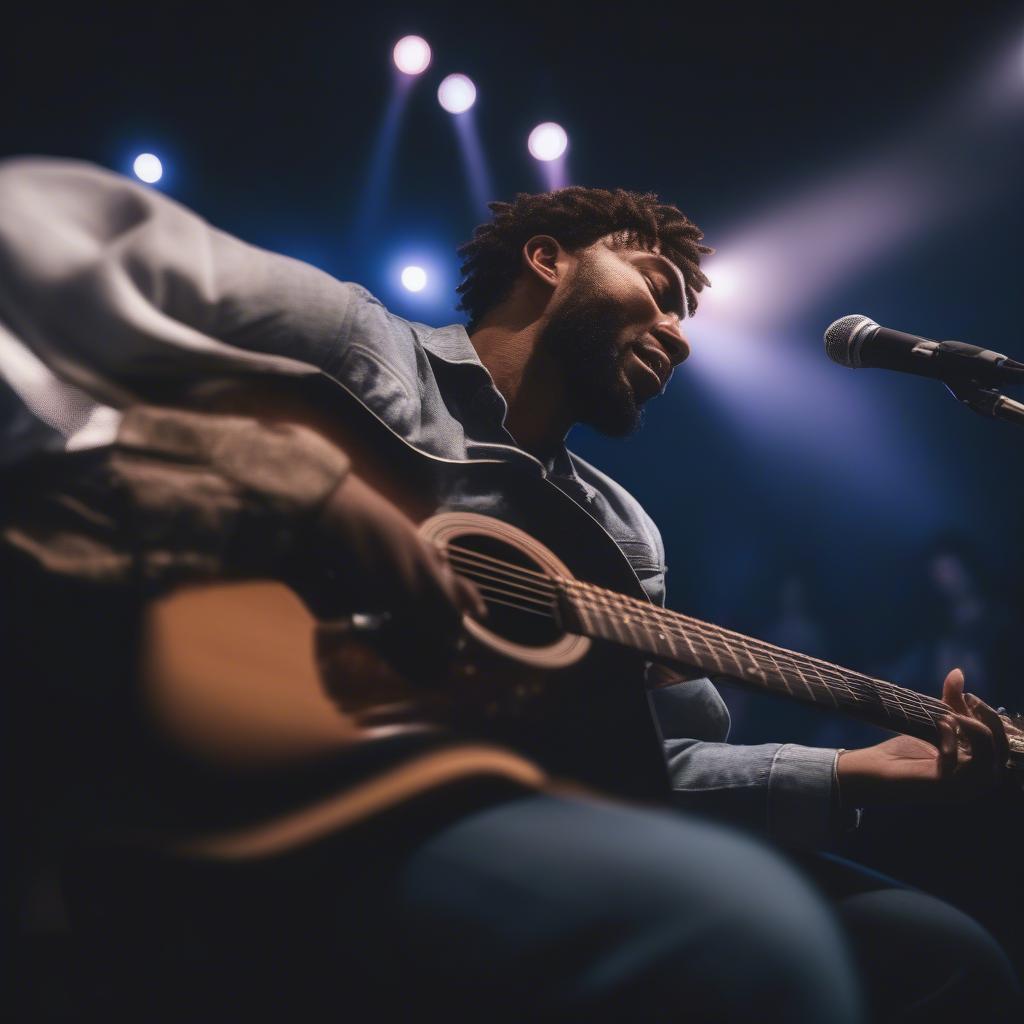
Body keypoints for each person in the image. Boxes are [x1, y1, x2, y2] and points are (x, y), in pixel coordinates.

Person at [0, 157, 1019, 1022]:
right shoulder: (357, 347)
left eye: (685, 313)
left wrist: (848, 775)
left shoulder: (620, 535)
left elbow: (637, 776)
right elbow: (33, 222)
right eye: (656, 285)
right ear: (549, 259)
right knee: (736, 929)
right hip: (218, 765)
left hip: (460, 802)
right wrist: (296, 485)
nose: (679, 332)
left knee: (942, 954)